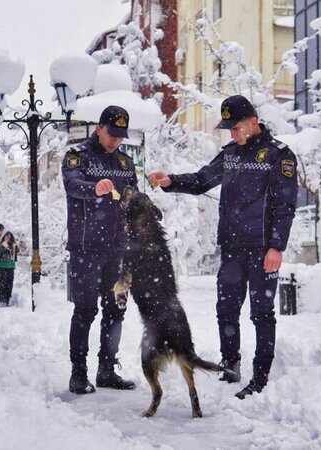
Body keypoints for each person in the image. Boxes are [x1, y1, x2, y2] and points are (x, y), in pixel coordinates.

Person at [147, 95, 298, 400]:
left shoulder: (278, 155)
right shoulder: (230, 154)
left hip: (261, 248)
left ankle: (261, 375)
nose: (232, 134)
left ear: (253, 122)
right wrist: (170, 181)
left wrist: (276, 248)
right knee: (226, 309)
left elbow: (285, 206)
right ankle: (230, 365)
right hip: (231, 248)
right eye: (229, 129)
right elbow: (203, 179)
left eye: (237, 127)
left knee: (261, 313)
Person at [62, 105, 138, 395]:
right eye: (112, 134)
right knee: (85, 310)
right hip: (86, 247)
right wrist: (94, 188)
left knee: (116, 309)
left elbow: (133, 196)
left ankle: (107, 369)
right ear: (99, 128)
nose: (116, 140)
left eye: (121, 136)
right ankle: (78, 373)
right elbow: (72, 185)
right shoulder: (77, 156)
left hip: (118, 248)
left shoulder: (124, 162)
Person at [0, 230, 19, 307]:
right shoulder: (0, 244)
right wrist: (4, 244)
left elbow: (17, 252)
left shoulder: (13, 245)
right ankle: (1, 299)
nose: (8, 237)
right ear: (4, 236)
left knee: (9, 284)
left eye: (10, 236)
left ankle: (7, 299)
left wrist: (14, 246)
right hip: (1, 266)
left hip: (10, 266)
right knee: (2, 284)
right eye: (7, 235)